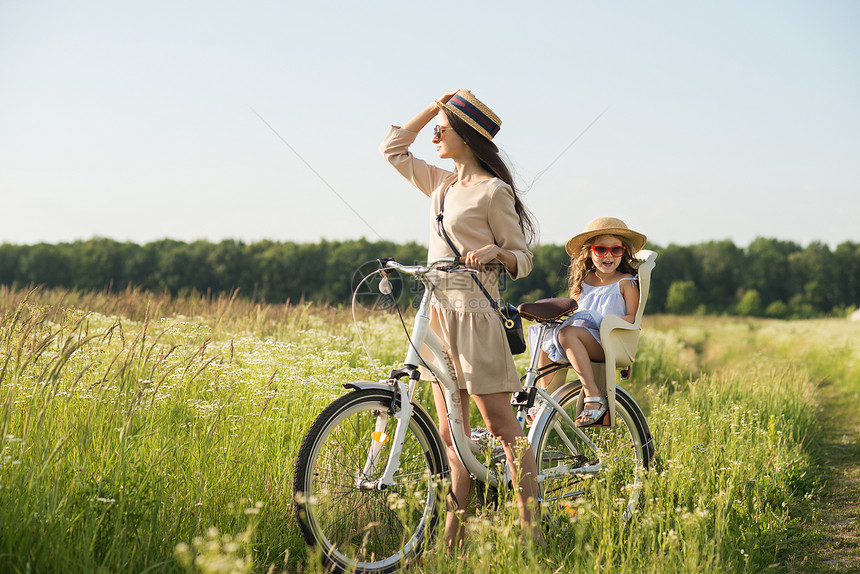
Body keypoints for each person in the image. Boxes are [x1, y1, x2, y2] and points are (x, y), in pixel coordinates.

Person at [380, 90, 541, 548]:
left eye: (443, 128)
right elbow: (392, 149)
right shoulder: (441, 185)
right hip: (437, 314)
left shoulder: (494, 191)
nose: (434, 134)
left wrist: (498, 253)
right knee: (452, 436)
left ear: (467, 138)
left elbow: (523, 259)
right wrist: (436, 106)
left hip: (475, 317)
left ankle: (531, 537)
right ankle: (452, 542)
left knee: (501, 429)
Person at [533, 216, 647, 426]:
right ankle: (544, 396)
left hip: (607, 342)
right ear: (590, 252)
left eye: (616, 250)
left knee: (567, 334)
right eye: (601, 249)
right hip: (579, 340)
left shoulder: (625, 283)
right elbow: (572, 312)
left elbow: (633, 317)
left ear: (623, 251)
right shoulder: (584, 282)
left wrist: (605, 324)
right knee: (546, 338)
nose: (608, 255)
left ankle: (593, 396)